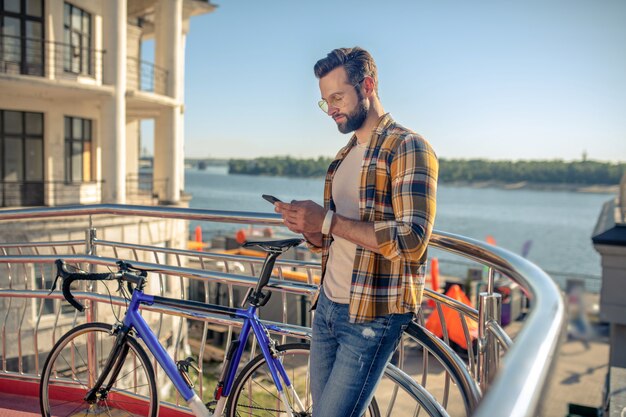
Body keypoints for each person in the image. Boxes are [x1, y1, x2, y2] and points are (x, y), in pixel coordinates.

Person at [275, 47, 438, 417]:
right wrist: (311, 229)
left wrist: (327, 221)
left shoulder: (408, 147)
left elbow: (412, 240)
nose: (330, 108)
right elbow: (335, 238)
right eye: (324, 102)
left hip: (371, 316)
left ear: (367, 85)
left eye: (337, 97)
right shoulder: (342, 157)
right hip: (328, 307)